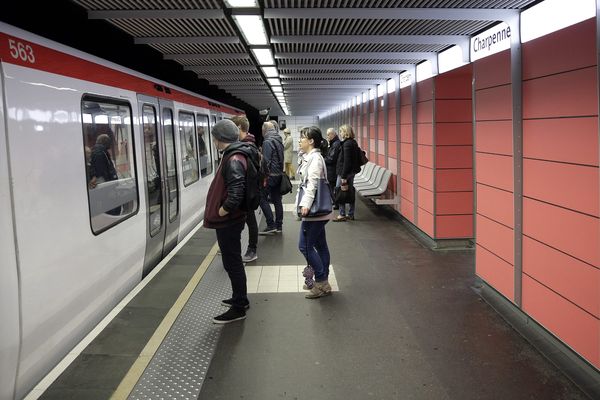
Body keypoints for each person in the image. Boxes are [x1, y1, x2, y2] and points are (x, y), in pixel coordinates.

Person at [204, 119, 255, 324]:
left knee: (232, 262)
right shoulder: (236, 154)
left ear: (219, 139)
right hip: (233, 220)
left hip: (229, 221)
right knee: (232, 261)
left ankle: (239, 307)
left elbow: (235, 194)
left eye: (214, 137)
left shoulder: (233, 158)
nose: (214, 141)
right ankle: (239, 298)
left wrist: (221, 211)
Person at [295, 126, 333, 299]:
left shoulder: (315, 159)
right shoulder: (310, 157)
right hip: (317, 212)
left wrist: (305, 206)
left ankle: (320, 281)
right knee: (320, 245)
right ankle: (324, 281)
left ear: (311, 141)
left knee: (304, 246)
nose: (299, 140)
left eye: (302, 138)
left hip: (314, 211)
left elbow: (312, 185)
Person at [231, 115, 259, 263]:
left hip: (247, 192)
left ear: (239, 129)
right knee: (244, 221)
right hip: (248, 191)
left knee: (250, 221)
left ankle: (252, 249)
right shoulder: (250, 143)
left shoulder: (246, 147)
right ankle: (235, 247)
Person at [258, 121, 284, 235]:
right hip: (278, 174)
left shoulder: (267, 141)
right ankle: (279, 225)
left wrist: (262, 177)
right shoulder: (278, 139)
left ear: (264, 130)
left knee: (261, 198)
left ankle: (270, 224)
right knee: (277, 200)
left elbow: (266, 162)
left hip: (271, 176)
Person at [333, 124, 359, 222]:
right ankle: (351, 214)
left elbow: (347, 161)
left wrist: (343, 176)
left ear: (345, 132)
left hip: (345, 173)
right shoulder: (353, 142)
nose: (340, 133)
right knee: (350, 192)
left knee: (340, 191)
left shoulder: (347, 144)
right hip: (351, 172)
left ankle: (342, 214)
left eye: (341, 131)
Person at [324, 127, 342, 207]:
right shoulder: (334, 143)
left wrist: (323, 159)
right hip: (333, 169)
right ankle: (335, 201)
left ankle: (335, 202)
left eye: (328, 135)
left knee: (332, 186)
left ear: (333, 134)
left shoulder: (335, 144)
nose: (327, 136)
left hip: (333, 169)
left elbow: (331, 158)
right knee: (332, 186)